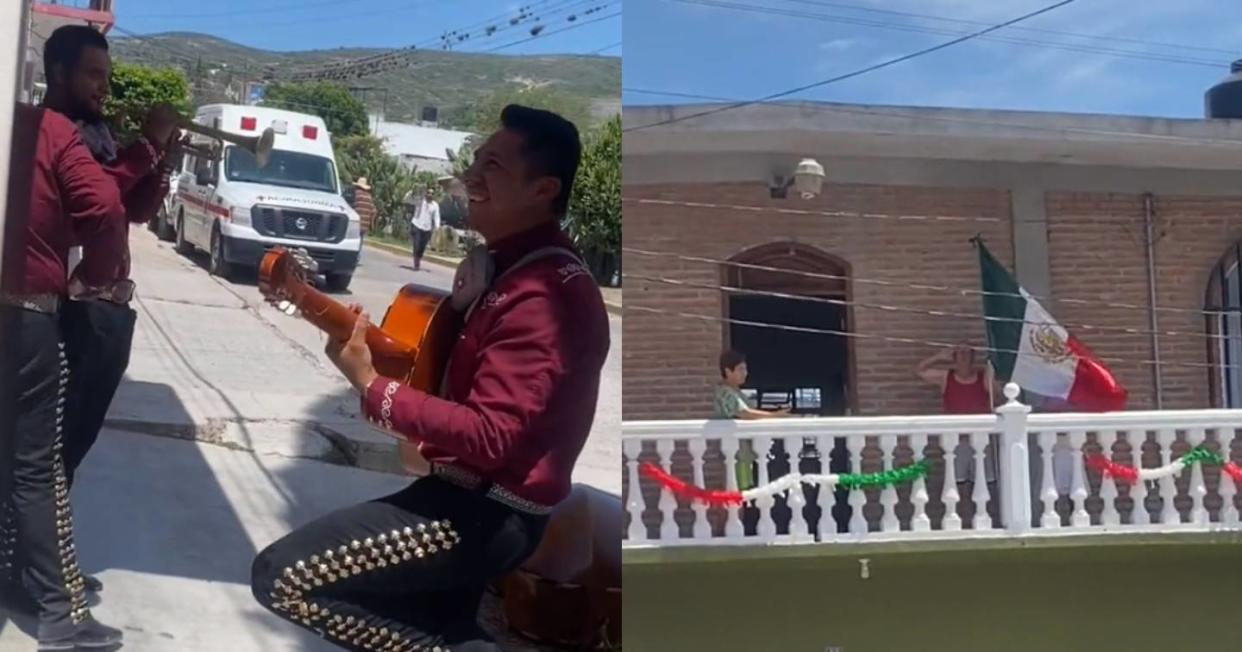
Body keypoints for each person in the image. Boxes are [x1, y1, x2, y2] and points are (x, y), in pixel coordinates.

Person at [250, 105, 610, 651]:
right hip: (469, 498)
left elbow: (491, 434)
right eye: (476, 161)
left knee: (287, 579)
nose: (471, 176)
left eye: (492, 165)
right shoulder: (517, 269)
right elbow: (442, 375)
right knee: (434, 626)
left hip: (485, 514)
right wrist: (338, 332)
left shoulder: (544, 294)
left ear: (543, 189)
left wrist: (373, 389)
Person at [39, 24, 178, 596]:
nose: (104, 86)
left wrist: (161, 162)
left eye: (107, 74)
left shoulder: (95, 133)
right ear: (58, 75)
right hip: (70, 309)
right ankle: (42, 566)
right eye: (93, 74)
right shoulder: (57, 134)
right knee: (52, 450)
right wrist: (144, 148)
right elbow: (98, 200)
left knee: (73, 446)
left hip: (107, 309)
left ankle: (42, 561)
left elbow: (135, 211)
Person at [0, 101, 135, 650]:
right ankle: (62, 611)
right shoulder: (44, 126)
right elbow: (106, 208)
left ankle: (18, 575)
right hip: (26, 310)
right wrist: (94, 277)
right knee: (38, 466)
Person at [915, 343, 1000, 513]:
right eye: (959, 352)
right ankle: (963, 519)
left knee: (986, 482)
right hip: (956, 442)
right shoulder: (946, 377)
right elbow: (919, 370)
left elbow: (997, 392)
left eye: (967, 352)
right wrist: (939, 356)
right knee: (958, 484)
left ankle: (988, 518)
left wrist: (993, 371)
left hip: (981, 440)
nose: (963, 356)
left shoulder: (983, 377)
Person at [406, 186, 440, 271]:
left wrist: (437, 227)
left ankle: (418, 258)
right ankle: (416, 263)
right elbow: (407, 200)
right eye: (428, 193)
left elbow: (436, 217)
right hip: (417, 225)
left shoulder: (435, 205)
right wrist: (410, 193)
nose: (430, 195)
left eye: (432, 193)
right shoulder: (420, 201)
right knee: (416, 245)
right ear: (426, 193)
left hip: (427, 228)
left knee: (422, 247)